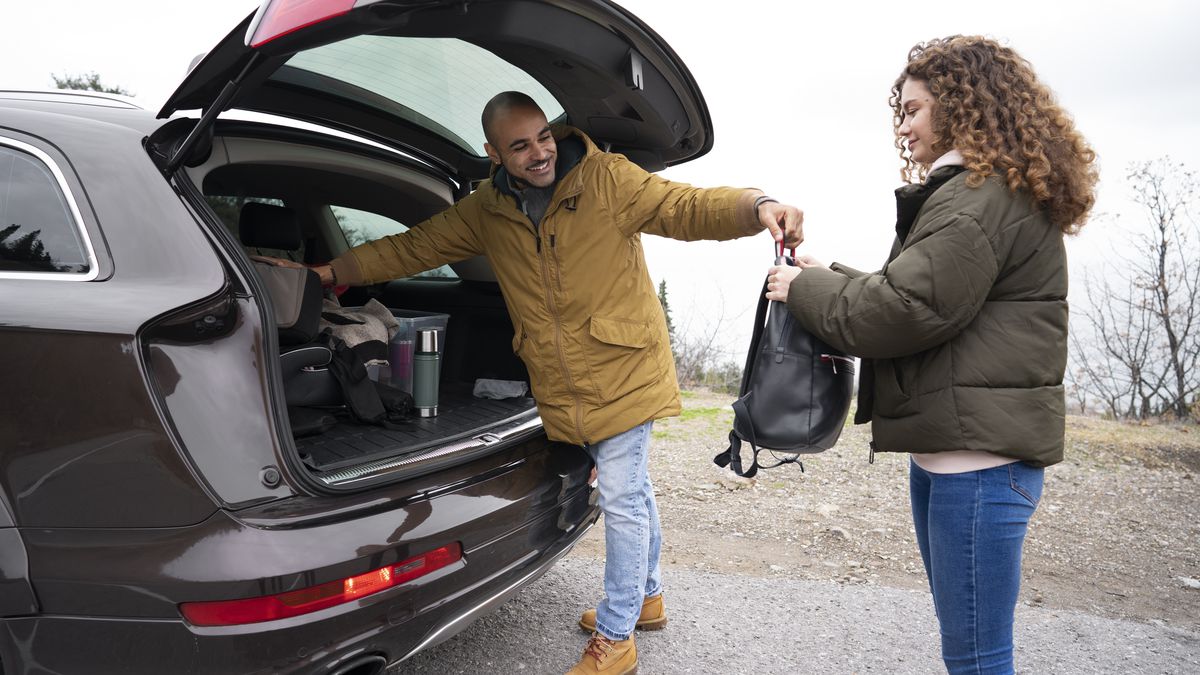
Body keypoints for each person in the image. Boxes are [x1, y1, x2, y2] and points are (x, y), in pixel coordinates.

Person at [267, 91, 803, 675]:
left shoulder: (607, 179)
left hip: (623, 365)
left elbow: (687, 207)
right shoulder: (486, 210)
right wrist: (327, 272)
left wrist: (758, 206)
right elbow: (413, 247)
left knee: (622, 497)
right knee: (634, 489)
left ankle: (617, 636)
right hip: (564, 379)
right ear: (494, 154)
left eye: (543, 136)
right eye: (520, 145)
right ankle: (645, 599)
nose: (539, 152)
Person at [765, 36, 1097, 674]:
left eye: (914, 110)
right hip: (959, 458)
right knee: (969, 649)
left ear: (961, 107)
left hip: (977, 465)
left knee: (976, 659)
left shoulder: (979, 198)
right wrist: (824, 272)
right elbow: (924, 295)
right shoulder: (983, 192)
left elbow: (908, 311)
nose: (904, 125)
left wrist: (803, 289)